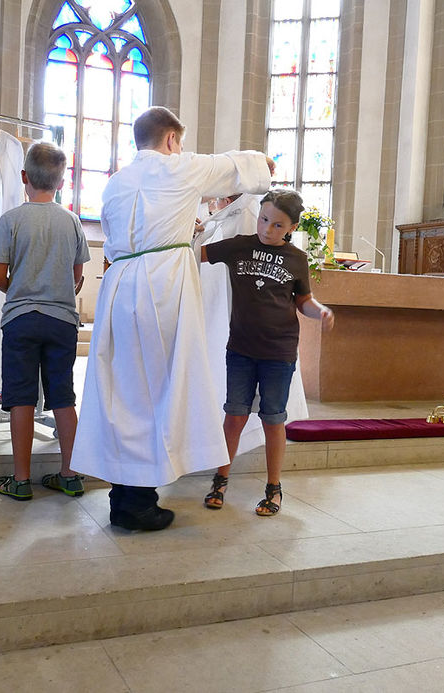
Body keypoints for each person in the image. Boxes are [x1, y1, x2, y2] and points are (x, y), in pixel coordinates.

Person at [71, 106, 274, 531]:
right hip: (161, 289)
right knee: (157, 393)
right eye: (179, 142)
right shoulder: (181, 168)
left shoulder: (115, 182)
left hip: (120, 285)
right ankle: (139, 501)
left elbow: (110, 241)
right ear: (170, 141)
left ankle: (123, 494)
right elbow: (254, 167)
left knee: (125, 394)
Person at [199, 189, 334, 515]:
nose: (267, 229)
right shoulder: (239, 245)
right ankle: (220, 480)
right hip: (241, 350)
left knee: (274, 420)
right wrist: (192, 228)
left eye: (277, 225)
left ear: (291, 227)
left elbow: (303, 301)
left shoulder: (296, 259)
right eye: (263, 219)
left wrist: (320, 312)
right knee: (234, 416)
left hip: (279, 352)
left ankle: (274, 489)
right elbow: (195, 253)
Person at [0, 142, 90, 501]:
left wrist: (19, 288)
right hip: (62, 320)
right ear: (61, 182)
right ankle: (71, 474)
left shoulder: (11, 220)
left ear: (23, 177)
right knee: (64, 398)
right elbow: (77, 275)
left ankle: (20, 480)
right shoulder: (72, 220)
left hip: (20, 319)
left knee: (22, 399)